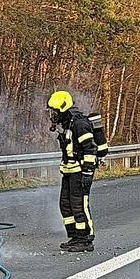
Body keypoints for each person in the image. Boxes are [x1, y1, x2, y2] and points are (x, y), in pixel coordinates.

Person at [47, 90, 98, 252]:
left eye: (54, 111)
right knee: (65, 205)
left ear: (63, 108)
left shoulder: (80, 124)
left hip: (80, 173)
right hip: (69, 172)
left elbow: (90, 149)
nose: (52, 115)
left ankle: (85, 239)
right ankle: (75, 236)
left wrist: (87, 173)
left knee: (79, 205)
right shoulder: (68, 124)